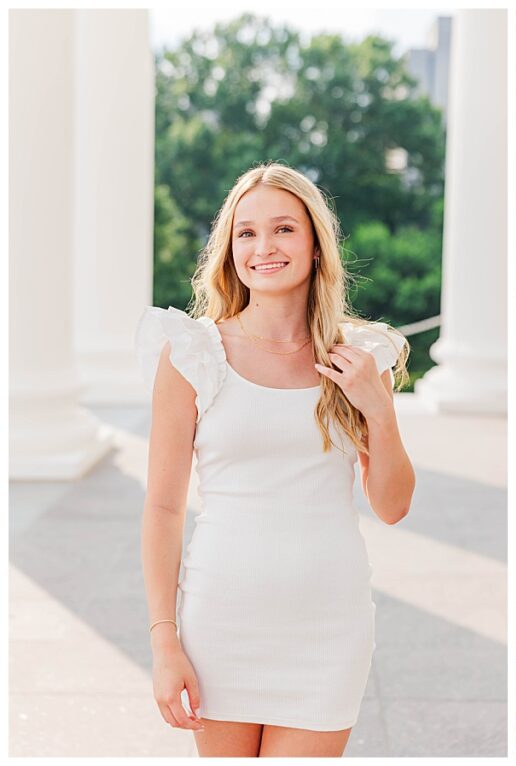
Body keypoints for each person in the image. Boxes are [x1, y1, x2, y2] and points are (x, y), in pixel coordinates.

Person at [136, 161, 416, 757]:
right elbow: (162, 508)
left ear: (316, 244)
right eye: (247, 232)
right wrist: (164, 641)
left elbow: (392, 506)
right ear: (229, 248)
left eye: (284, 229)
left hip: (328, 626)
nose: (263, 247)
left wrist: (380, 411)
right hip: (219, 624)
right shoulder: (193, 353)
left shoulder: (359, 358)